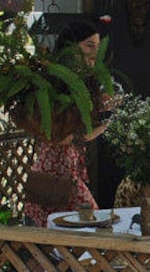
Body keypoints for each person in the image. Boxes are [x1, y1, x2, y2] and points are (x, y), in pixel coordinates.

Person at [24, 18, 113, 227]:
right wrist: (105, 124)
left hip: (65, 170)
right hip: (56, 173)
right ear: (71, 46)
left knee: (65, 228)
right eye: (89, 46)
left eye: (98, 47)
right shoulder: (55, 83)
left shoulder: (79, 81)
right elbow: (61, 136)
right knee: (92, 223)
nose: (95, 53)